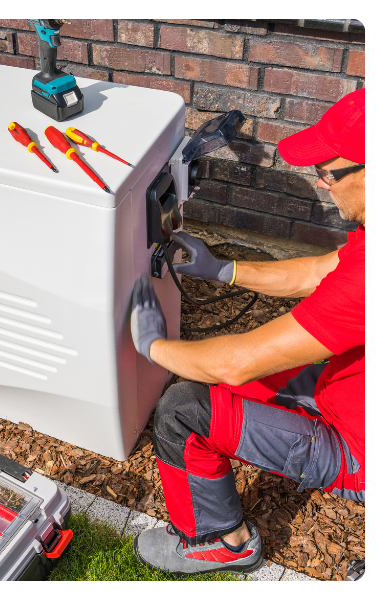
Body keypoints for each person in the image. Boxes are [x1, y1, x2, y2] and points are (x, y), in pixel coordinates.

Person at [130, 88, 365, 576]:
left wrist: (151, 345)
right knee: (235, 382)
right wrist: (224, 271)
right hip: (343, 392)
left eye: (329, 171)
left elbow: (233, 363)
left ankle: (220, 542)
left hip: (355, 448)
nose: (321, 184)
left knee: (182, 409)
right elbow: (319, 272)